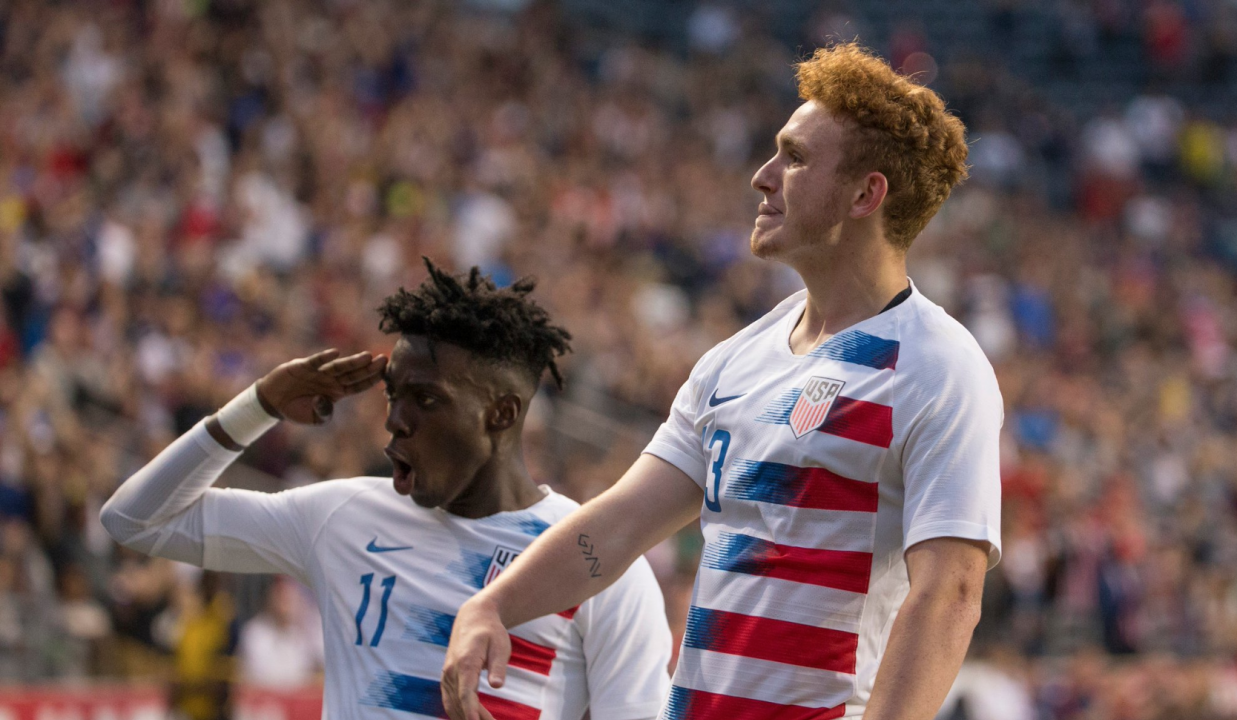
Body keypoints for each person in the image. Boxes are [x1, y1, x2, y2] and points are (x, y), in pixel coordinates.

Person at [443, 40, 1002, 720]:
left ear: (866, 193)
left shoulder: (939, 366)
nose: (762, 176)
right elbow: (618, 525)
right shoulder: (736, 360)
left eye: (794, 157)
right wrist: (494, 605)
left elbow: (949, 596)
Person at [100, 260, 671, 720]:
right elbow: (133, 520)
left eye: (425, 400)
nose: (394, 421)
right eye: (391, 395)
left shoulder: (595, 563)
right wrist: (259, 407)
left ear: (500, 414)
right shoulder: (342, 517)